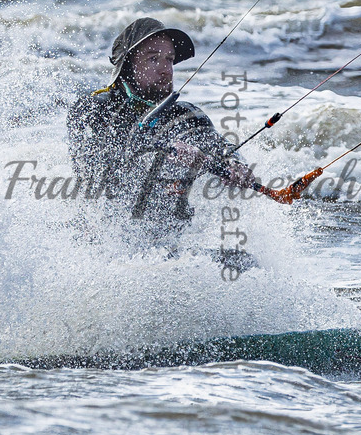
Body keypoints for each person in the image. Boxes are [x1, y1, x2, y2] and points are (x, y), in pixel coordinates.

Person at [67, 17, 263, 257]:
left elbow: (219, 146)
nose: (166, 69)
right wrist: (165, 151)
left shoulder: (186, 114)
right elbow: (98, 165)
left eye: (169, 59)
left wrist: (235, 165)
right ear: (128, 65)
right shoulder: (95, 109)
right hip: (105, 245)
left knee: (242, 261)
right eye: (153, 59)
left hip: (164, 250)